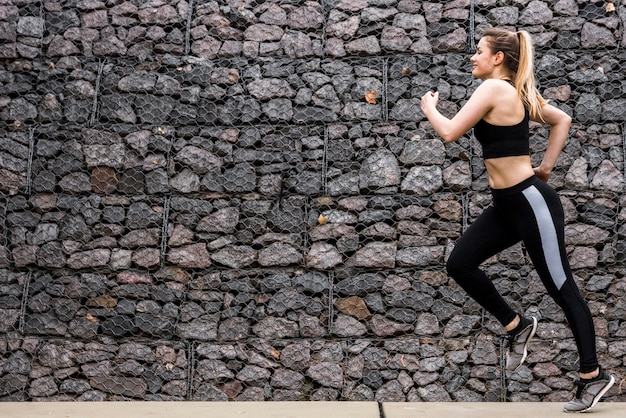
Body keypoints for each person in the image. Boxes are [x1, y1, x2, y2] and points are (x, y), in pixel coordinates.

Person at [420, 28, 614, 412]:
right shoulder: (517, 93)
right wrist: (545, 167)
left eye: (478, 51)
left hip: (530, 202)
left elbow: (449, 132)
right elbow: (562, 119)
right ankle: (516, 325)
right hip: (508, 204)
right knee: (460, 263)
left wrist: (429, 107)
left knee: (562, 288)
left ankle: (593, 377)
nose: (472, 57)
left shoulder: (494, 89)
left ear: (497, 58)